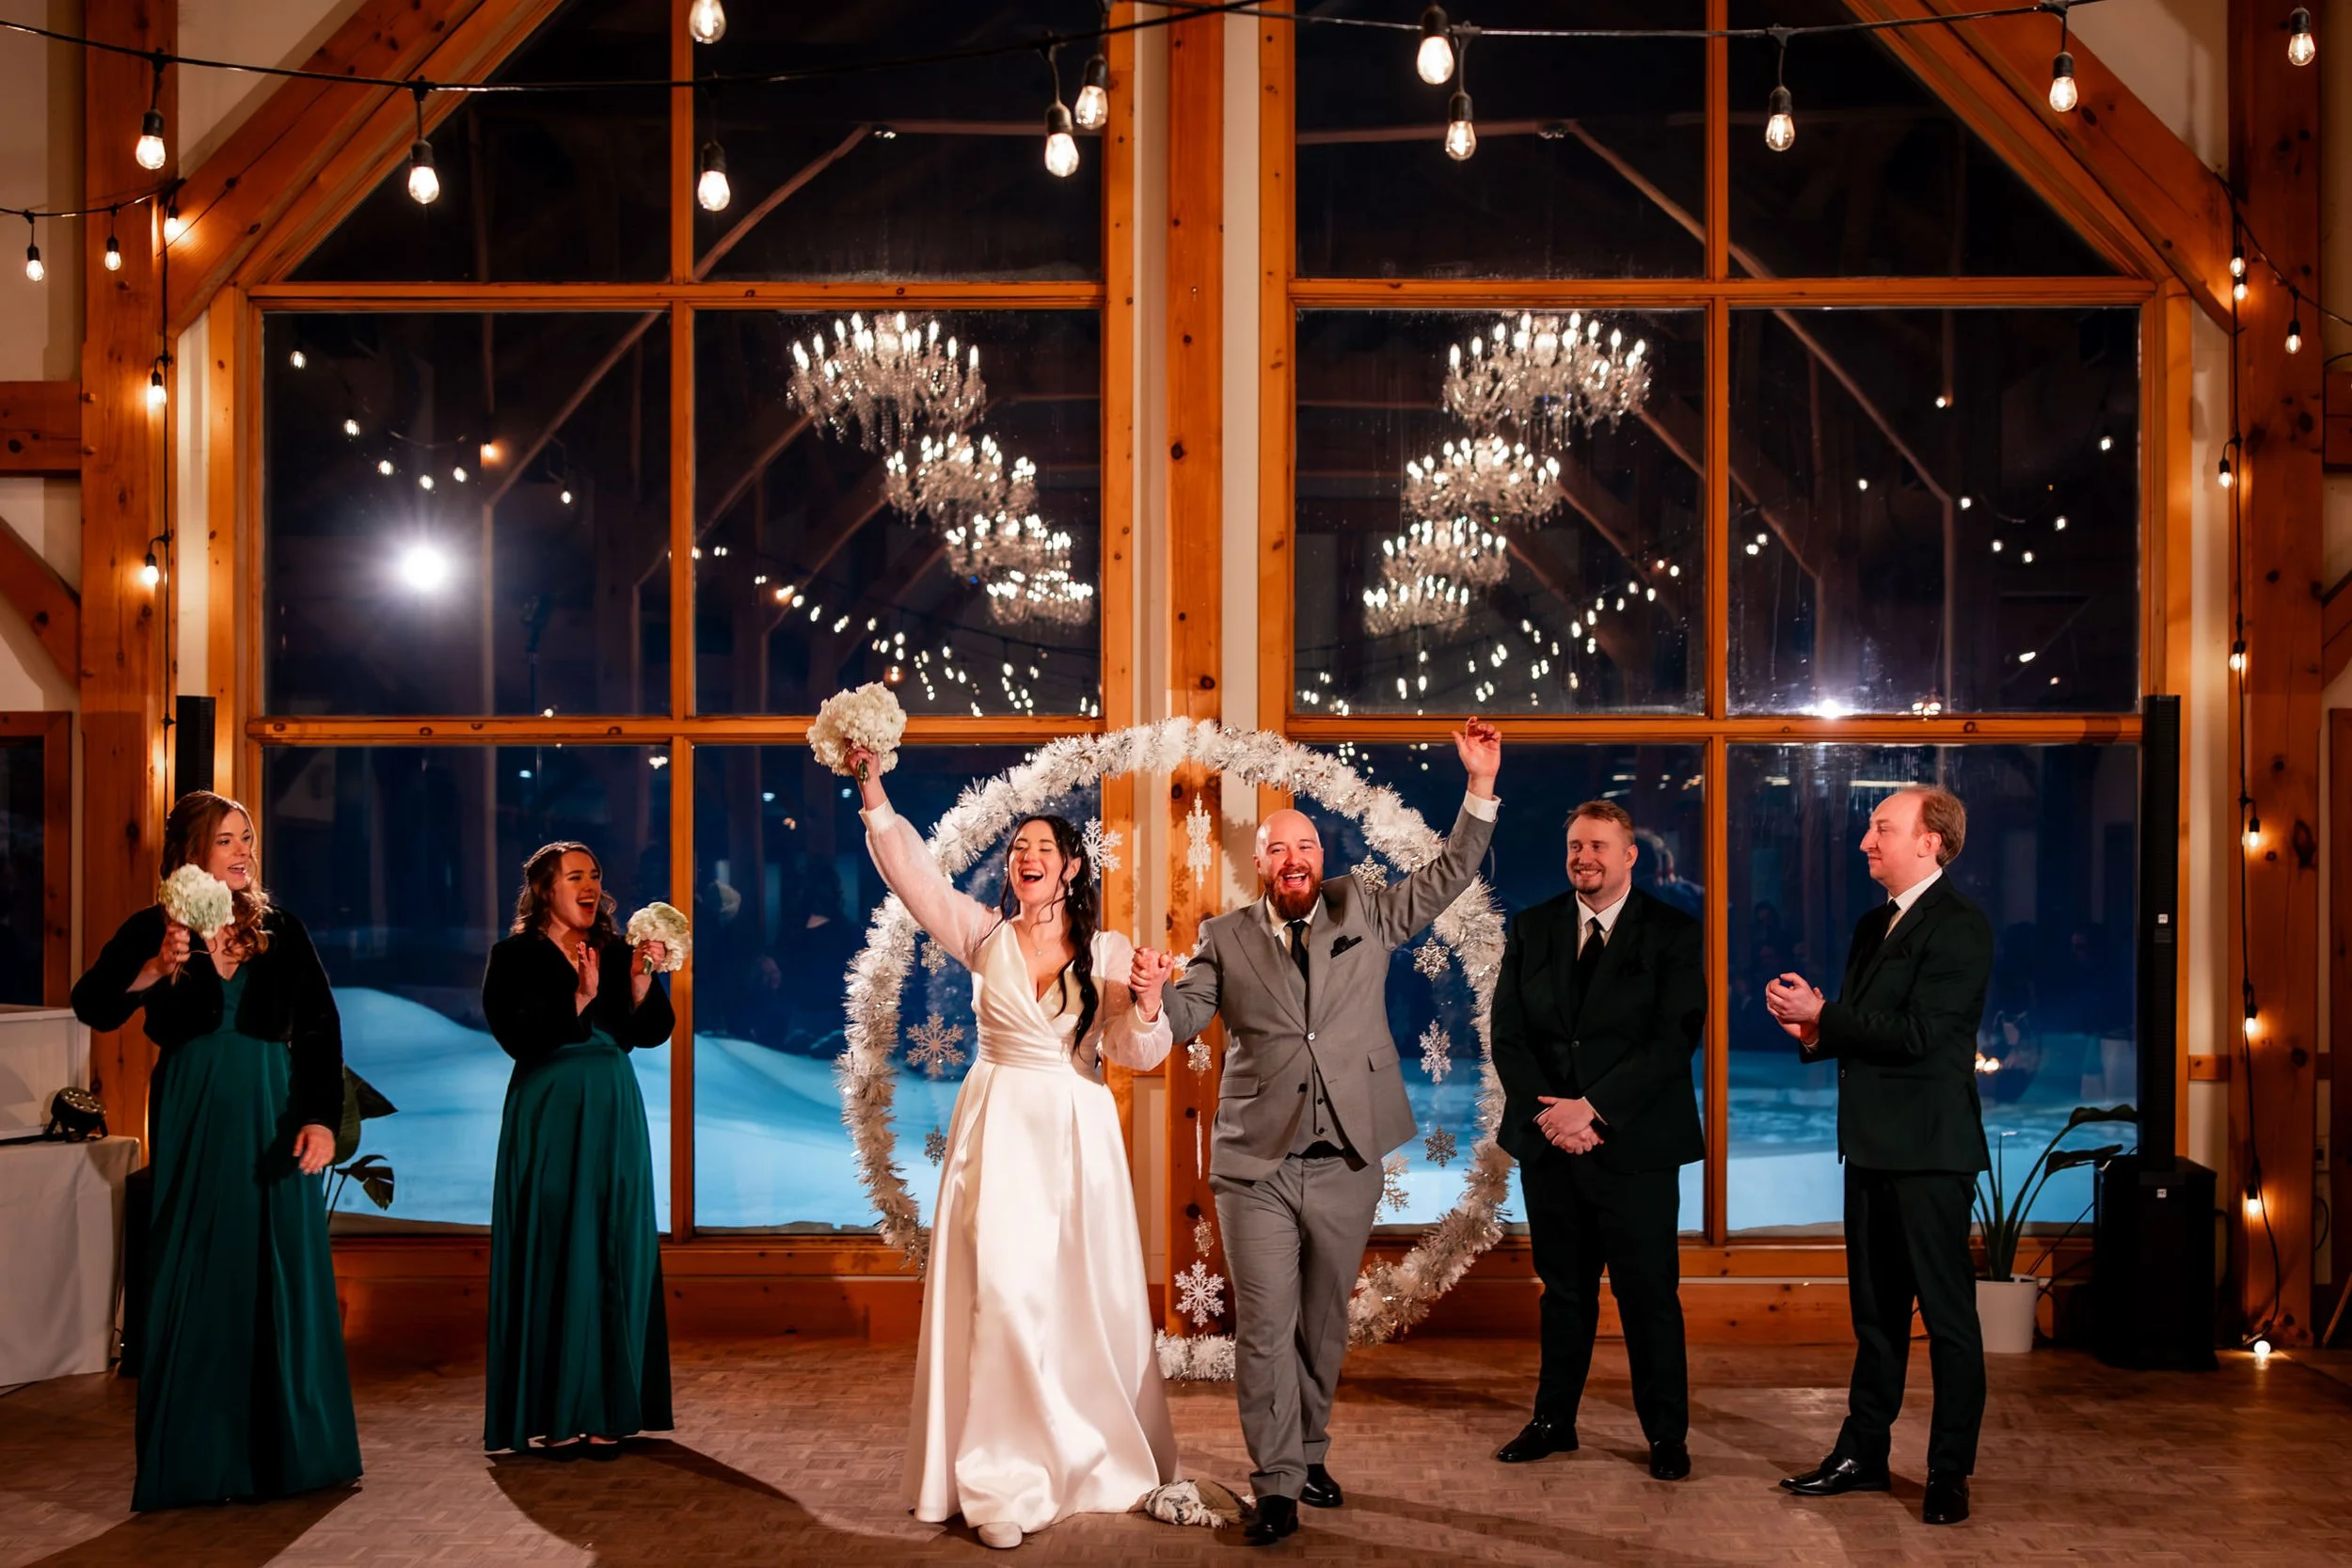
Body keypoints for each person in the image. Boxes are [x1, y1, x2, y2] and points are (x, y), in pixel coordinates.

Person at [1135, 719, 1502, 1547]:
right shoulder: (1224, 938)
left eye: (1305, 845)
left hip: (1345, 1161)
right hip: (1253, 1168)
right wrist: (1156, 999)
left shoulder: (1363, 909)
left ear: (1320, 859)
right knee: (1264, 1326)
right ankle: (1277, 1487)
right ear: (1259, 864)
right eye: (1277, 848)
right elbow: (1189, 1013)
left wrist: (1478, 787)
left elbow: (1447, 874)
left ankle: (1307, 1452)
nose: (1294, 858)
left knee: (1321, 1323)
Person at [850, 746, 1177, 1552]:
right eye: (1019, 848)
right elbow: (915, 877)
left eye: (1044, 848)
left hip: (1075, 1133)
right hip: (996, 1130)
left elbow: (1139, 1056)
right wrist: (872, 788)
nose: (1027, 856)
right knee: (998, 1292)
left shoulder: (1105, 950)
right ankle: (997, 1474)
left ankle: (1076, 1453)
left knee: (1070, 1298)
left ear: (1070, 868)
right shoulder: (982, 933)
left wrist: (1144, 1003)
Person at [72, 790, 361, 1512]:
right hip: (195, 1110)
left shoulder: (281, 929)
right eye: (228, 839)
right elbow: (93, 1004)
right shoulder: (152, 926)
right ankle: (197, 1462)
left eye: (249, 840)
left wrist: (321, 1119)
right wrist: (151, 968)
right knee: (197, 1266)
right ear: (191, 850)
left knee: (278, 1270)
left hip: (273, 1111)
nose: (243, 852)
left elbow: (321, 1030)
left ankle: (293, 1456)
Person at [1765, 786, 1994, 1527]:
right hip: (1868, 1149)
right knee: (1876, 1318)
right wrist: (1810, 1027)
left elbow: (1921, 1035)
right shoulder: (1873, 926)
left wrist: (1825, 1014)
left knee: (1950, 1322)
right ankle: (1863, 1453)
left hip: (1930, 1154)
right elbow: (1862, 1032)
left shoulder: (1961, 927)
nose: (1867, 839)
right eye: (1870, 827)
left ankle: (1949, 1472)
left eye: (1882, 827)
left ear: (1931, 842)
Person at [1488, 800, 1705, 1480]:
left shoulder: (1672, 932)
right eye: (1576, 844)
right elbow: (1508, 1035)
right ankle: (1554, 1421)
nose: (1585, 856)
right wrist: (1555, 1116)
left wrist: (1596, 1110)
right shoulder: (1532, 926)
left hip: (1636, 1148)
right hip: (1552, 1143)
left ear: (1630, 853)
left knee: (1649, 1296)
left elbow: (1673, 1040)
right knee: (1564, 1292)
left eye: (1599, 845)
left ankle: (1666, 1434)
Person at [481, 842, 675, 1459]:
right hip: (550, 1113)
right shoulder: (513, 956)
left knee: (613, 1246)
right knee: (558, 1244)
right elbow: (516, 1035)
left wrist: (641, 984)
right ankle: (555, 1410)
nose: (589, 885)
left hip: (613, 1111)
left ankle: (607, 1410)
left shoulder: (618, 951)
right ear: (545, 889)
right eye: (575, 876)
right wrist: (580, 999)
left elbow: (651, 1032)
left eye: (595, 874)